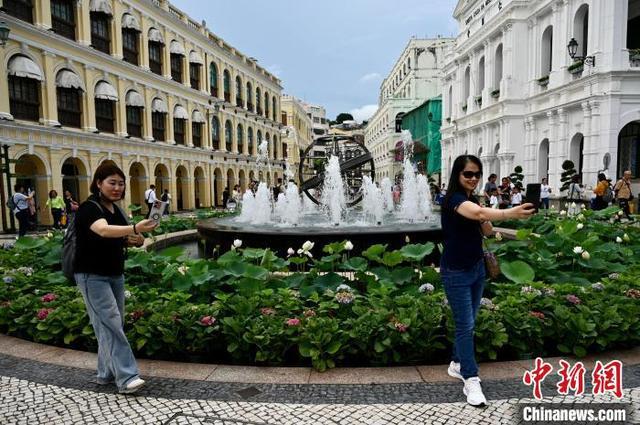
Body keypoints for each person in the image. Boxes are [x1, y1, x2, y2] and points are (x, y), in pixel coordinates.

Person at [441, 155, 534, 406]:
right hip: (456, 271)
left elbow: (488, 230)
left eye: (476, 174)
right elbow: (479, 212)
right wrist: (510, 213)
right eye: (467, 174)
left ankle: (457, 363)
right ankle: (471, 379)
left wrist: (483, 219)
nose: (473, 178)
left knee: (470, 322)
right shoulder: (453, 200)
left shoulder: (472, 200)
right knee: (465, 326)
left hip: (476, 268)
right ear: (457, 175)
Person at [73, 163, 157, 394]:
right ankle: (127, 377)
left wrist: (135, 238)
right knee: (110, 322)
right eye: (112, 182)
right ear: (98, 183)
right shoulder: (89, 207)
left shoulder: (116, 210)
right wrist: (133, 226)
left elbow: (121, 236)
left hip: (114, 274)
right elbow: (102, 230)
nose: (117, 188)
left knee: (110, 324)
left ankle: (105, 373)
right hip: (92, 276)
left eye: (121, 183)